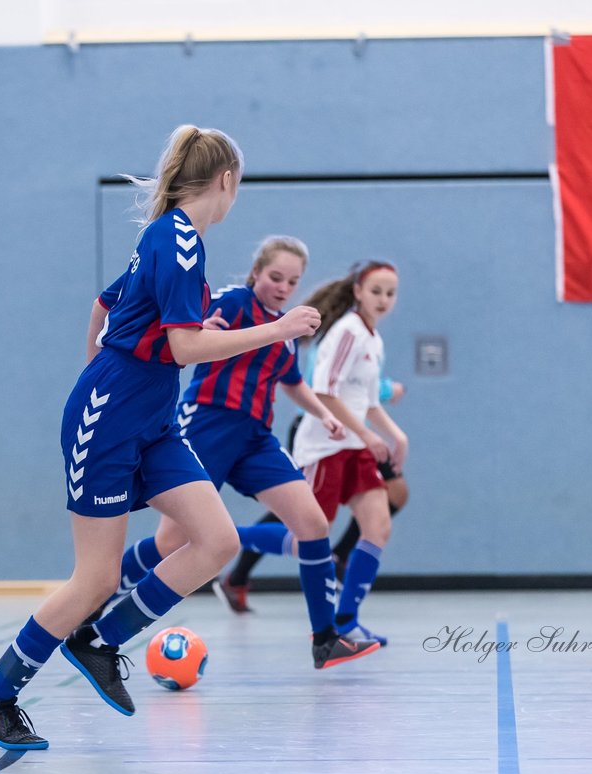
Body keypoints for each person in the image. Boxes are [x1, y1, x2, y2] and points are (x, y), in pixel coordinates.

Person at [0, 125, 321, 750]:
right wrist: (278, 329)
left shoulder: (173, 241)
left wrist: (115, 363)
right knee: (94, 579)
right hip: (114, 413)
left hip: (153, 416)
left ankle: (99, 641)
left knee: (216, 540)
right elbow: (185, 347)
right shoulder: (176, 240)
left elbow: (105, 310)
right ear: (227, 181)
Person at [107, 235, 382, 671]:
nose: (283, 287)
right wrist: (200, 325)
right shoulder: (233, 303)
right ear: (256, 273)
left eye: (292, 281)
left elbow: (291, 381)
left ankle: (325, 639)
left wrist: (324, 415)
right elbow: (183, 321)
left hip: (256, 438)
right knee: (171, 541)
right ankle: (101, 590)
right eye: (275, 277)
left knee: (312, 525)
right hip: (208, 426)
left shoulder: (286, 329)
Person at [212, 261, 405, 644]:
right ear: (358, 292)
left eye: (390, 293)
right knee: (307, 539)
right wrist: (368, 435)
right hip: (325, 448)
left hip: (355, 447)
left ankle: (347, 620)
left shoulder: (373, 339)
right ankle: (226, 535)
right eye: (376, 291)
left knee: (378, 526)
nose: (383, 300)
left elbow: (366, 400)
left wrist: (397, 436)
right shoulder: (347, 331)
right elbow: (322, 391)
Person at [217, 379, 408, 616]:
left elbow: (360, 386)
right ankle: (226, 542)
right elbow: (322, 384)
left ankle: (344, 601)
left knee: (391, 500)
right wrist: (387, 390)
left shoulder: (369, 343)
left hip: (354, 437)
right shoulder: (328, 342)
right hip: (326, 435)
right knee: (306, 525)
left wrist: (395, 434)